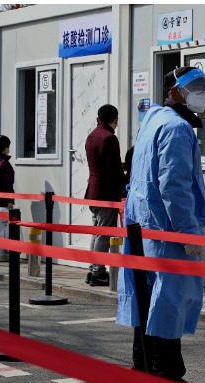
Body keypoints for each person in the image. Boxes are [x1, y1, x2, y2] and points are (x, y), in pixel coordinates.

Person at [116, 66, 205, 383]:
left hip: (144, 226)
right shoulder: (176, 127)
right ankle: (167, 377)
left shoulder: (152, 120)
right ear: (175, 91)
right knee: (168, 303)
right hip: (166, 231)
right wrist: (189, 234)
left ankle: (143, 368)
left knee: (147, 300)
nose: (201, 96)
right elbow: (174, 187)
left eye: (203, 90)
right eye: (195, 89)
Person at [84, 104, 127, 286]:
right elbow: (113, 170)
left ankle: (93, 268)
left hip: (93, 190)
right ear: (115, 120)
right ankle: (98, 272)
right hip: (106, 193)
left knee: (97, 231)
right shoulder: (109, 138)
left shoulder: (92, 135)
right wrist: (125, 184)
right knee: (104, 233)